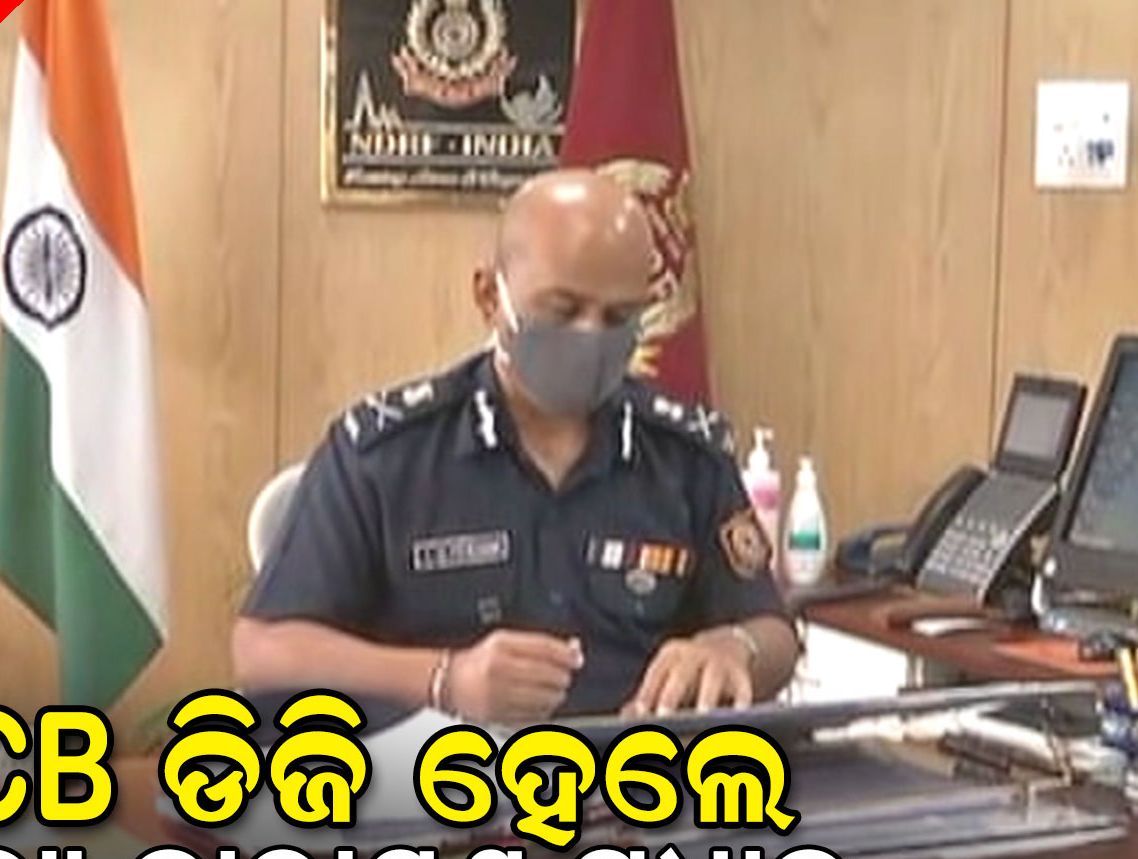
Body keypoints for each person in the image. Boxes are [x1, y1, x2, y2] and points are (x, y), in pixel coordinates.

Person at [232, 169, 799, 725]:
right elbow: (263, 652)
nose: (590, 335)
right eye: (563, 310)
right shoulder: (385, 455)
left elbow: (773, 631)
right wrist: (445, 680)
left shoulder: (686, 454)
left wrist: (733, 647)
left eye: (618, 317)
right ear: (489, 297)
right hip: (445, 769)